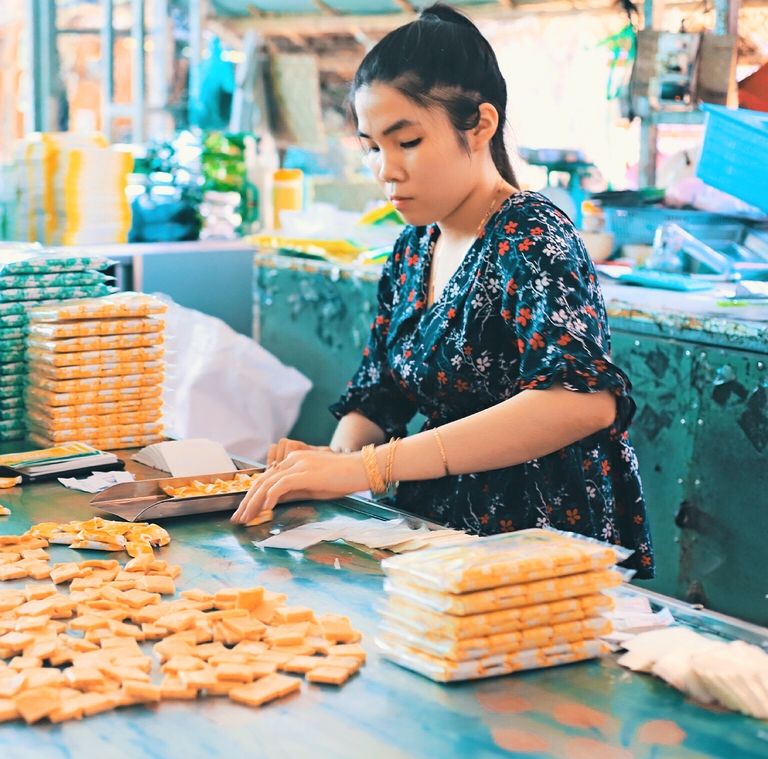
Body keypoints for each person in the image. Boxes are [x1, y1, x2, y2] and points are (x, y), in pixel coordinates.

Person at [232, 3, 653, 578]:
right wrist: (331, 463)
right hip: (440, 535)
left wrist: (367, 470)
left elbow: (580, 400)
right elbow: (381, 392)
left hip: (536, 540)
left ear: (479, 125)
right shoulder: (413, 248)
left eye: (406, 141)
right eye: (372, 146)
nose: (385, 170)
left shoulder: (531, 235)